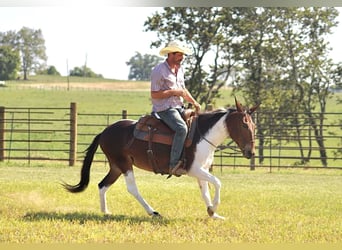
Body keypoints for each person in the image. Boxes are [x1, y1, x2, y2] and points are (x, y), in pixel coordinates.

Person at [150, 40, 201, 176]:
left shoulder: (181, 70)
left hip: (179, 106)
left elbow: (183, 90)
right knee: (181, 129)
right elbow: (154, 94)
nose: (182, 58)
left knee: (195, 125)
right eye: (180, 55)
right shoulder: (159, 70)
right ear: (171, 54)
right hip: (164, 109)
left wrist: (195, 102)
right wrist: (173, 92)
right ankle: (173, 165)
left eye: (183, 55)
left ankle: (189, 160)